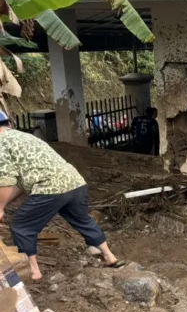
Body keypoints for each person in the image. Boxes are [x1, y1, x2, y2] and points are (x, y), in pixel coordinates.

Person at [0, 111, 122, 282]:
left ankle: (34, 271)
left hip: (50, 187)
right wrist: (4, 205)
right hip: (75, 182)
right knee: (82, 220)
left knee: (21, 226)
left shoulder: (2, 142)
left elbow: (5, 181)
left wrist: (0, 208)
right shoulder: (25, 137)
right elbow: (22, 183)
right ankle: (110, 256)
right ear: (9, 124)